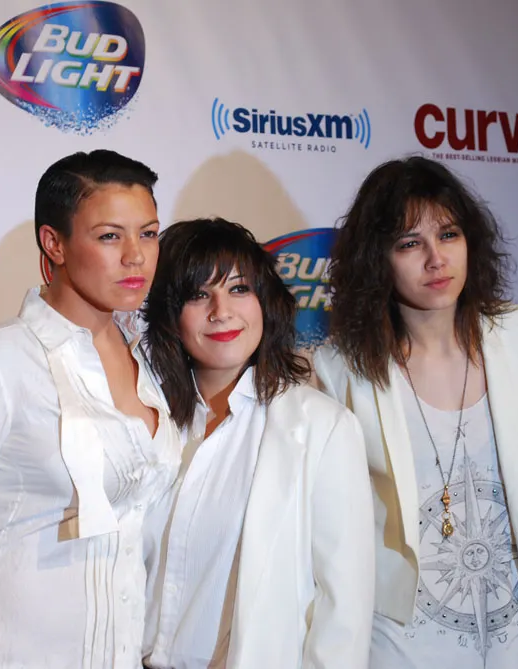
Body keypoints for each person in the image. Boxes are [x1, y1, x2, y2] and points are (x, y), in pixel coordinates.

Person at [0, 150, 182, 668]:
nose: (136, 256)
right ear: (54, 243)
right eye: (110, 236)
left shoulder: (150, 364)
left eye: (148, 233)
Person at [313, 156, 518, 669]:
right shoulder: (341, 369)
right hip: (402, 636)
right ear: (378, 259)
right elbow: (332, 523)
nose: (436, 259)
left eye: (448, 234)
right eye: (410, 243)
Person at [140, 218, 374, 669]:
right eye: (198, 295)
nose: (221, 311)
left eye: (239, 289)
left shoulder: (322, 427)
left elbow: (343, 612)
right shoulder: (145, 418)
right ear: (170, 314)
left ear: (266, 301)